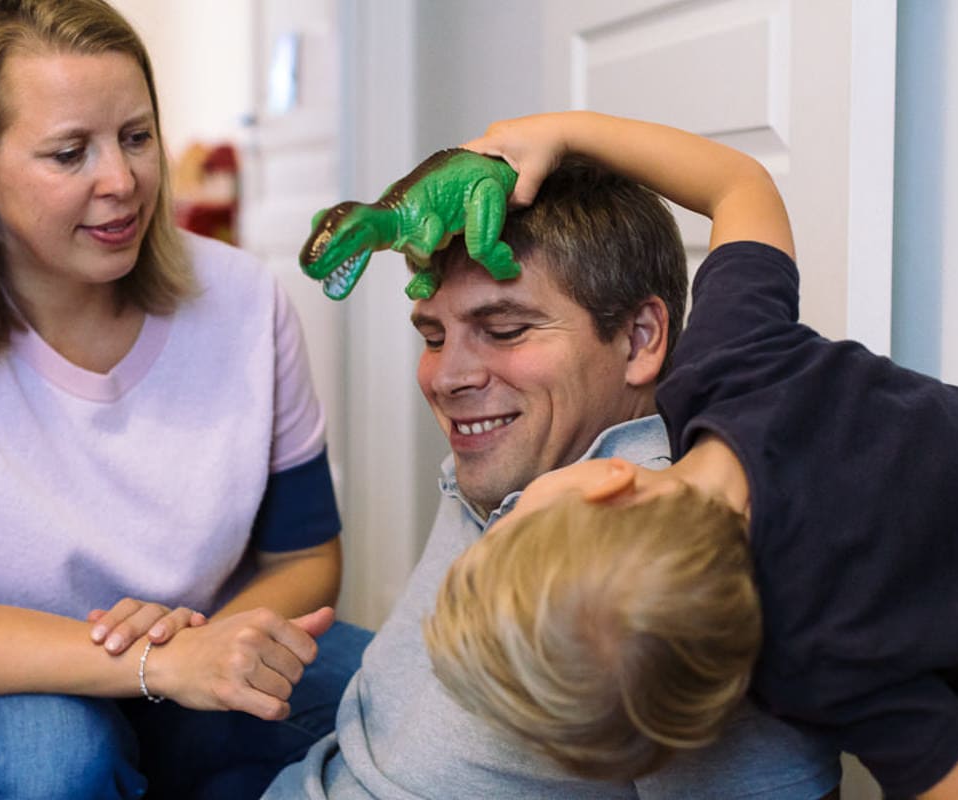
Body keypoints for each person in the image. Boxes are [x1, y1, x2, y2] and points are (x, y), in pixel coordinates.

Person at [0, 1, 370, 797]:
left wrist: (202, 652)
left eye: (136, 137)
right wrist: (157, 661)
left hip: (185, 658)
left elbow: (306, 558)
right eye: (69, 152)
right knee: (57, 753)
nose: (121, 181)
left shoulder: (248, 301)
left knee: (391, 689)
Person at [423, 111, 958, 799]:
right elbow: (738, 185)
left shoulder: (810, 660)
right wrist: (562, 132)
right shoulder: (735, 363)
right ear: (608, 483)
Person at [265, 147, 841, 796]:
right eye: (432, 337)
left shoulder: (656, 563)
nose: (447, 377)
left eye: (505, 329)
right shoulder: (524, 449)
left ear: (641, 338)